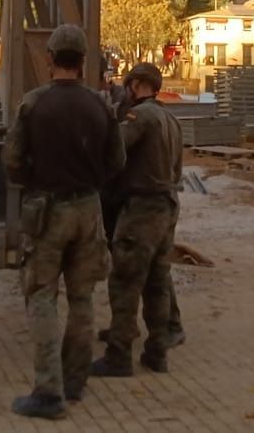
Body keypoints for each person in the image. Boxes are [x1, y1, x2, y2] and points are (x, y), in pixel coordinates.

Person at [4, 23, 125, 420]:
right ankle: (75, 382)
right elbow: (117, 162)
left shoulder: (33, 103)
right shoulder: (101, 106)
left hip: (46, 211)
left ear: (50, 58)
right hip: (88, 211)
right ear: (84, 62)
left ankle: (48, 393)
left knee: (41, 295)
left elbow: (13, 161)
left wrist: (34, 182)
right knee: (83, 297)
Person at [93, 62, 183, 377]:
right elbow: (177, 171)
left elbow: (114, 148)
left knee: (125, 281)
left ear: (134, 85)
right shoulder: (171, 119)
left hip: (141, 208)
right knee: (157, 282)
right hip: (167, 205)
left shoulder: (139, 116)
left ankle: (118, 356)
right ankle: (157, 352)